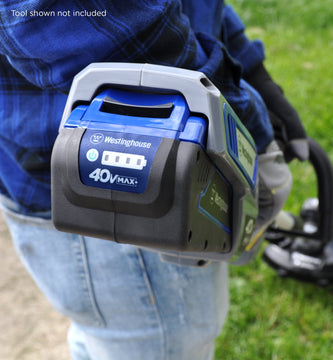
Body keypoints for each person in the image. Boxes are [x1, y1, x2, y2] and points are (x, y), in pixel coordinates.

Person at [0, 1, 306, 359]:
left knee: (109, 337)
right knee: (162, 341)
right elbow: (76, 14)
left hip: (105, 183)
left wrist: (252, 69)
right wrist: (248, 141)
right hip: (128, 194)